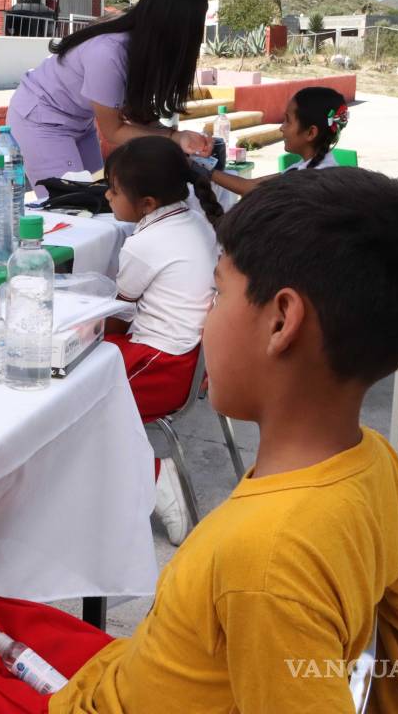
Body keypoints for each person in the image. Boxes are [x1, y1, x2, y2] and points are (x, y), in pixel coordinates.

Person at [0, 168, 398, 713]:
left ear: (281, 322)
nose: (206, 315)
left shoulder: (263, 559)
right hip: (138, 672)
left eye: (217, 293)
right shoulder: (376, 464)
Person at [102, 136, 222, 546]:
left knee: (75, 392)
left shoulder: (144, 244)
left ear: (147, 203)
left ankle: (157, 476)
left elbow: (117, 317)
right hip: (194, 363)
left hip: (165, 368)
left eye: (113, 190)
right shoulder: (196, 221)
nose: (107, 196)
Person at [6, 0, 214, 188]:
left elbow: (134, 112)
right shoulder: (108, 53)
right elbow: (114, 131)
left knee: (97, 194)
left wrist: (180, 137)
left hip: (79, 122)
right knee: (70, 202)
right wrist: (173, 138)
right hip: (41, 119)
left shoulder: (142, 47)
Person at [209, 85, 349, 197]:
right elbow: (250, 186)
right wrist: (207, 170)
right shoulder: (308, 166)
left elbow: (250, 189)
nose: (281, 128)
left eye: (288, 120)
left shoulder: (311, 181)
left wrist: (203, 169)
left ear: (310, 133)